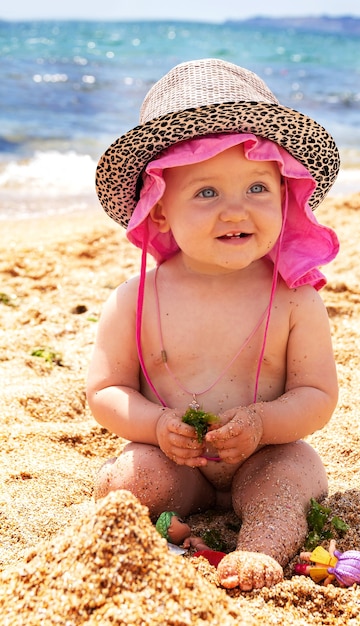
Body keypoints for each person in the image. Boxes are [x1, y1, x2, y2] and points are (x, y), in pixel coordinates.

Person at [88, 58, 340, 591]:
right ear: (158, 211)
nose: (236, 211)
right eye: (207, 193)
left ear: (285, 194)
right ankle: (155, 534)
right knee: (129, 478)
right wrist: (156, 426)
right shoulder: (136, 298)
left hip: (267, 451)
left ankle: (261, 547)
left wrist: (264, 425)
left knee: (289, 478)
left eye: (257, 189)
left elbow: (317, 394)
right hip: (173, 456)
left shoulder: (294, 299)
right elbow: (107, 391)